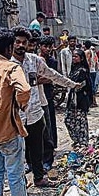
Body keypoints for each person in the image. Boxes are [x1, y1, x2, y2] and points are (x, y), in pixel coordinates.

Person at [0, 27, 49, 196]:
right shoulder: (11, 68)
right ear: (8, 47)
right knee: (15, 174)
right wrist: (20, 105)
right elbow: (25, 90)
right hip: (9, 130)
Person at [10, 26, 81, 188]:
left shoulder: (34, 60)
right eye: (17, 42)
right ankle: (19, 183)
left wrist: (71, 84)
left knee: (37, 148)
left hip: (35, 113)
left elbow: (52, 75)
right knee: (18, 152)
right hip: (16, 117)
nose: (21, 45)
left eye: (24, 42)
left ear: (28, 44)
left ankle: (39, 177)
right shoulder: (7, 65)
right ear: (12, 44)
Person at [38, 35, 60, 167]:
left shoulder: (51, 61)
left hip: (47, 94)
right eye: (45, 46)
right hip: (37, 96)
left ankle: (50, 153)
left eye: (49, 46)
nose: (47, 49)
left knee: (50, 123)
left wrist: (37, 79)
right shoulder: (34, 59)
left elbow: (51, 78)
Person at [65, 48, 93, 150]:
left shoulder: (83, 71)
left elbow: (84, 85)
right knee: (68, 121)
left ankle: (83, 142)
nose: (74, 58)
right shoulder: (74, 69)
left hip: (81, 100)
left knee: (80, 122)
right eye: (73, 56)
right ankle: (76, 140)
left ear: (81, 58)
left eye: (76, 56)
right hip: (72, 99)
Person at [83, 41, 98, 107]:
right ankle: (93, 101)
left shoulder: (87, 52)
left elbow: (88, 61)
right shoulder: (92, 51)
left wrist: (87, 70)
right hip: (93, 70)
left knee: (90, 87)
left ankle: (93, 101)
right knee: (92, 86)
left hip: (90, 71)